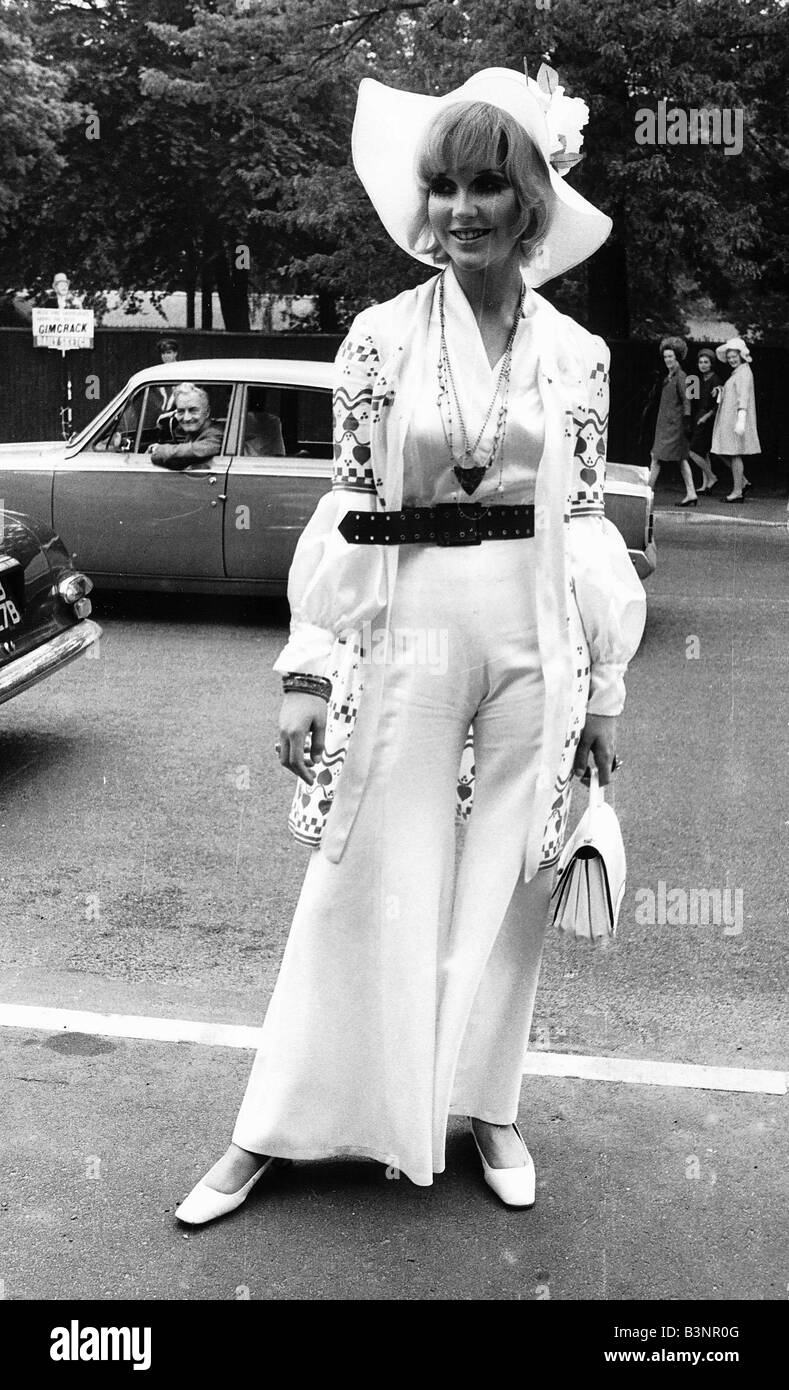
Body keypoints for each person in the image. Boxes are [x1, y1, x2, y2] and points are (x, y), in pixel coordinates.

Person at [174, 66, 646, 1225]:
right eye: (445, 185)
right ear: (423, 201)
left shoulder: (578, 355)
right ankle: (271, 1125)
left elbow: (583, 523)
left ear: (532, 199)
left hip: (539, 640)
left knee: (511, 889)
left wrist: (607, 694)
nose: (465, 207)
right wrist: (307, 666)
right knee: (360, 879)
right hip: (411, 625)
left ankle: (487, 1106)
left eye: (491, 183)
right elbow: (351, 509)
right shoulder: (380, 338)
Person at [647, 336, 697, 507]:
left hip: (675, 426)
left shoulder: (682, 376)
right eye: (666, 356)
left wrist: (688, 421)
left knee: (656, 457)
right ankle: (691, 493)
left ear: (677, 357)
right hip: (666, 425)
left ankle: (646, 493)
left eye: (671, 356)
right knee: (680, 459)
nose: (667, 359)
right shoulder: (669, 376)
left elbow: (688, 400)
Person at [711, 337, 760, 503]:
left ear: (741, 356)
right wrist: (721, 390)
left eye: (734, 356)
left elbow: (743, 397)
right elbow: (733, 391)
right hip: (729, 420)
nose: (731, 359)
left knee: (734, 454)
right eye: (729, 356)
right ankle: (743, 482)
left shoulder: (744, 373)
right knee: (722, 451)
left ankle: (738, 491)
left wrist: (741, 419)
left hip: (735, 420)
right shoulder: (738, 373)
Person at [148, 383, 223, 468]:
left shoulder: (215, 434)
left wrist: (159, 450)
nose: (186, 418)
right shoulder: (196, 431)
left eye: (193, 411)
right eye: (181, 411)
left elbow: (192, 451)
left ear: (207, 412)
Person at [687, 347, 721, 494]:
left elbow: (718, 404)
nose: (703, 365)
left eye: (706, 362)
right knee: (703, 453)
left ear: (711, 363)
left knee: (693, 452)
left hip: (708, 419)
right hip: (699, 418)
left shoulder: (716, 380)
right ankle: (705, 485)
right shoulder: (699, 380)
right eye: (700, 362)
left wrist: (706, 417)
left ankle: (712, 477)